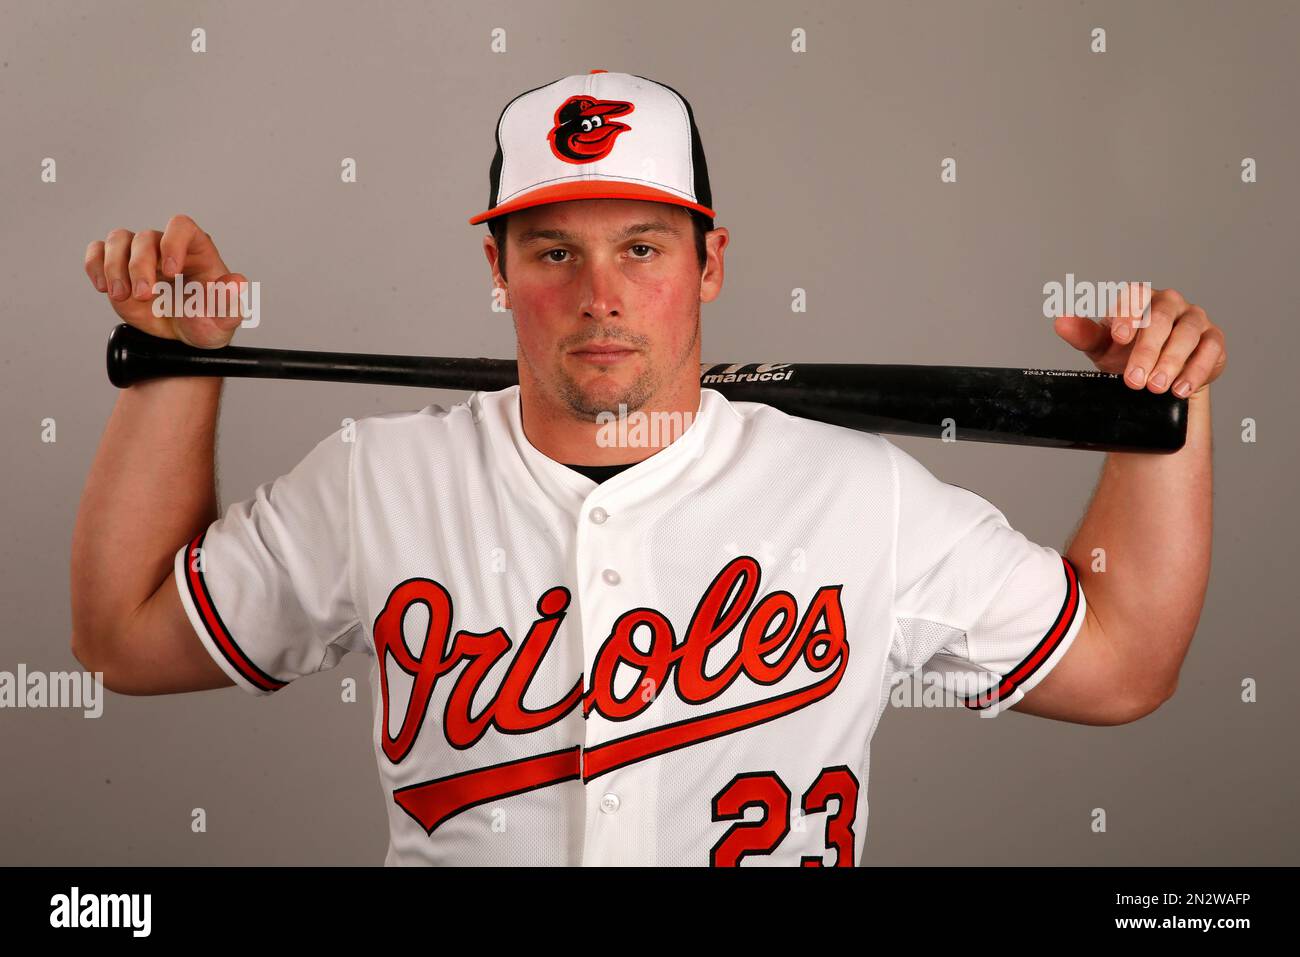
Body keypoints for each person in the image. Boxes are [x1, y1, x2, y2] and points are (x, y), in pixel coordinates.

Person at [71, 70, 1226, 866]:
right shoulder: (378, 479)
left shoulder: (855, 494)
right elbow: (124, 641)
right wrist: (175, 365)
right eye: (553, 251)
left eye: (642, 246)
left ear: (710, 261)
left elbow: (1120, 667)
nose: (599, 295)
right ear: (497, 265)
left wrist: (1157, 414)